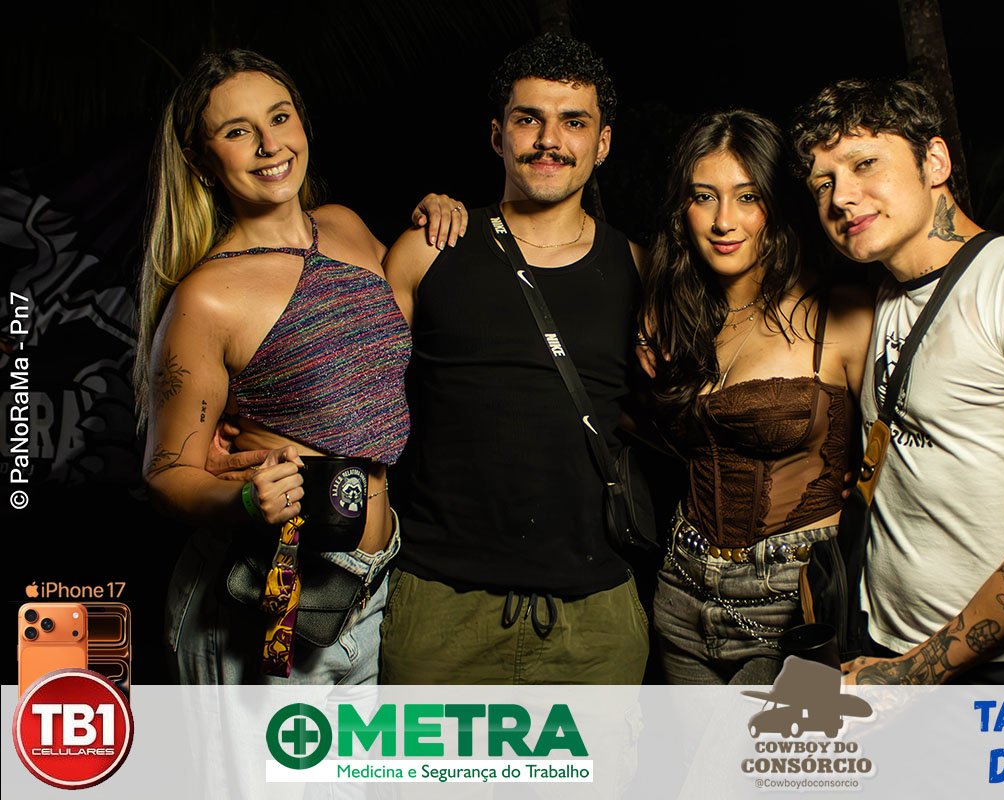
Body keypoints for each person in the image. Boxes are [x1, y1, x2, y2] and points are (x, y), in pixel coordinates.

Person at [789, 78, 1004, 684]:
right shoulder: (885, 293)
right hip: (886, 641)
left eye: (865, 163)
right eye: (823, 184)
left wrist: (915, 673)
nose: (842, 197)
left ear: (935, 161)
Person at [137, 49, 435, 684]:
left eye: (279, 118)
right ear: (201, 159)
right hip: (262, 597)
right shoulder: (207, 297)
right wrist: (245, 498)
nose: (269, 145)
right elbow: (166, 474)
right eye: (237, 131)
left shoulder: (346, 227)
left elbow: (404, 322)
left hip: (374, 586)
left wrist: (436, 220)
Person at [378, 33, 650, 684]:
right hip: (441, 607)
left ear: (602, 143)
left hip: (594, 616)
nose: (549, 140)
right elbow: (359, 405)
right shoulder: (427, 251)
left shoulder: (639, 269)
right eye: (529, 119)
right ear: (498, 136)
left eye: (573, 122)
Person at [640, 110, 872, 684]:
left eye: (748, 197)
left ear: (778, 204)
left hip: (793, 605)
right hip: (679, 592)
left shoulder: (842, 316)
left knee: (770, 747)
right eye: (704, 197)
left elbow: (908, 455)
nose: (724, 221)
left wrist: (866, 483)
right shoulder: (680, 316)